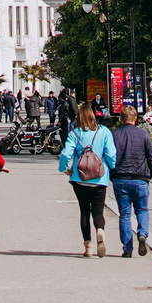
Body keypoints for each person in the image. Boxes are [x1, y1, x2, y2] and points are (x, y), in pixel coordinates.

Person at [56, 106, 116, 257]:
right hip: (99, 179)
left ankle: (88, 246)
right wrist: (111, 167)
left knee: (84, 211)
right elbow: (111, 154)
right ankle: (100, 230)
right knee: (98, 210)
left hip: (79, 178)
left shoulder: (74, 134)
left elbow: (65, 154)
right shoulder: (104, 132)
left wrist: (64, 169)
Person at [110, 107, 152, 256]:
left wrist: (112, 174)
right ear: (134, 119)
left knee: (124, 214)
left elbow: (110, 157)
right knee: (142, 209)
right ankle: (142, 234)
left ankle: (127, 249)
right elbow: (151, 157)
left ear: (121, 119)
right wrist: (149, 174)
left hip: (120, 179)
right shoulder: (143, 134)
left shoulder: (115, 134)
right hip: (140, 179)